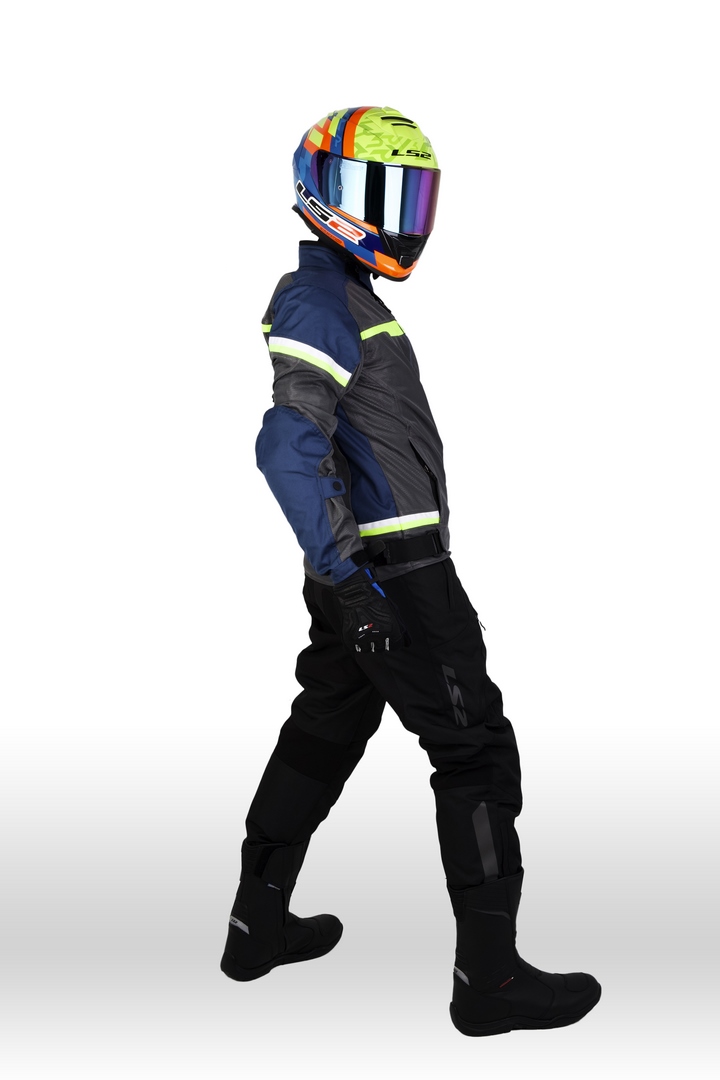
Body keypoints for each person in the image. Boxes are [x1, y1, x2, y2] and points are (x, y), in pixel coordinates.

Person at [220, 106, 601, 1037]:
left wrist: (343, 580)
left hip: (363, 571)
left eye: (409, 197)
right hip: (397, 576)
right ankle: (491, 983)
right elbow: (284, 447)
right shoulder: (320, 300)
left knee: (324, 729)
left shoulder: (342, 296)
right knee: (476, 751)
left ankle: (255, 928)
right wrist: (354, 581)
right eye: (378, 193)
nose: (399, 217)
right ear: (324, 193)